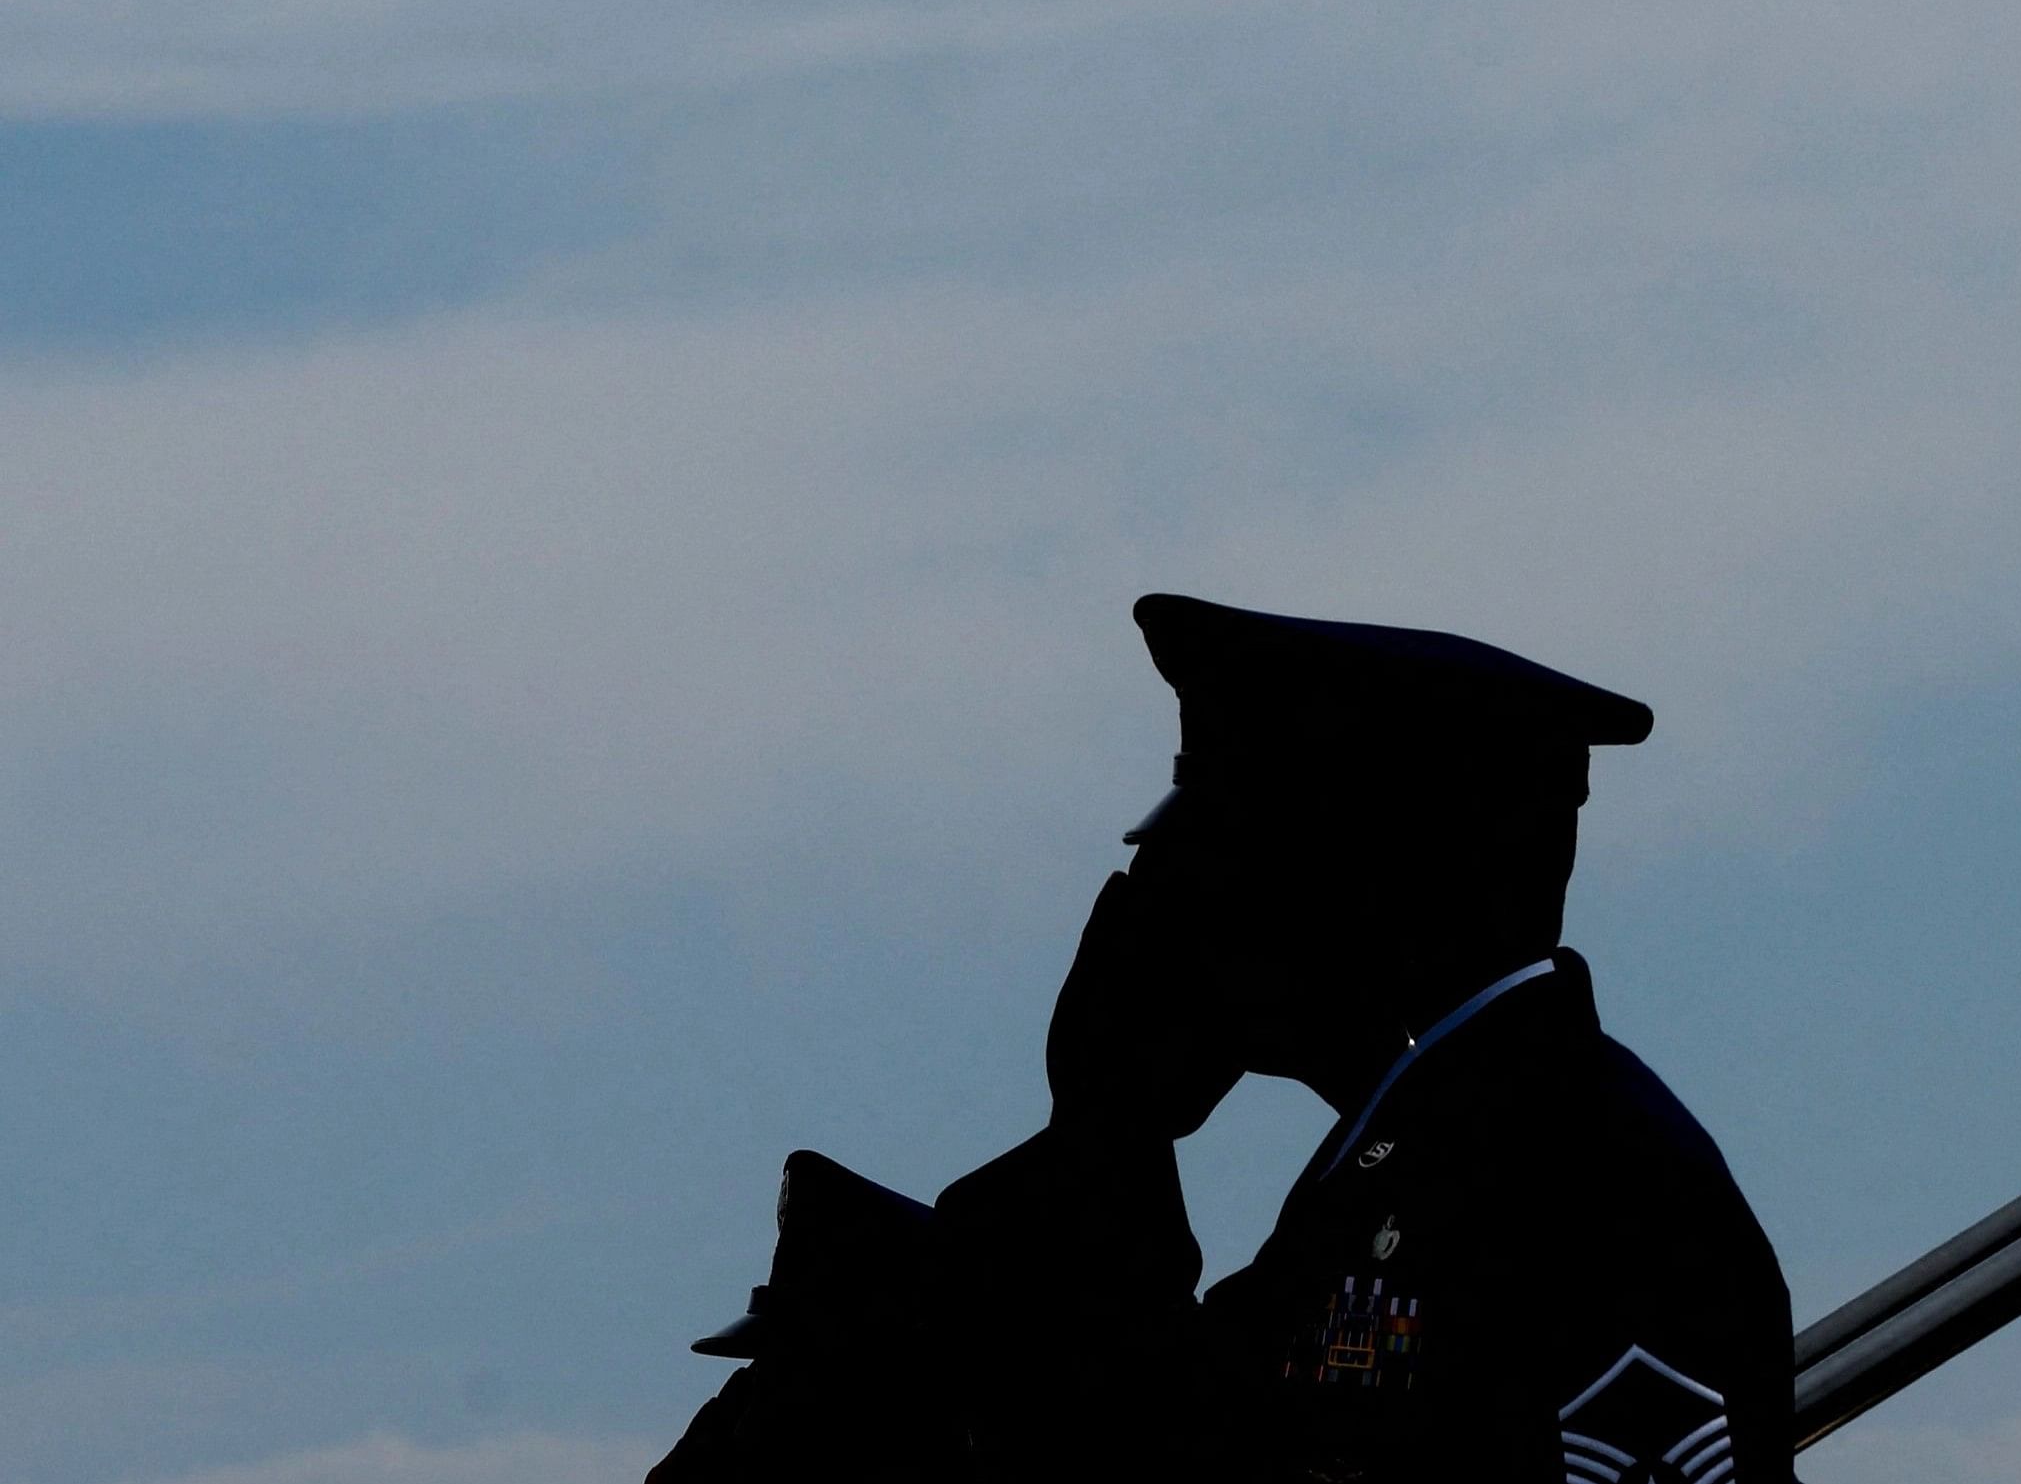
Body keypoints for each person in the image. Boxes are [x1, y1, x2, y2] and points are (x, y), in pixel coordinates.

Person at [655, 592, 1792, 1483]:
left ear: (1371, 875)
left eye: (1224, 873)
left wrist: (1107, 1125)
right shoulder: (1403, 1171)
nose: (1176, 920)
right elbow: (1140, 1428)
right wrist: (1108, 1124)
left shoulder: (1579, 1172)